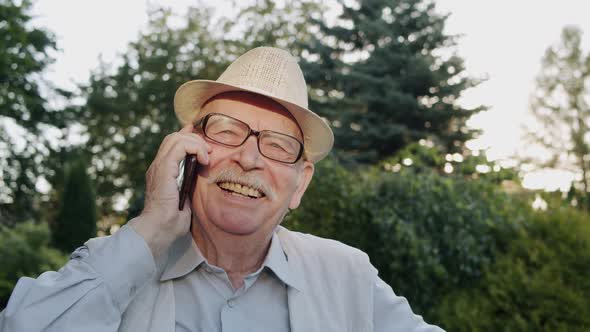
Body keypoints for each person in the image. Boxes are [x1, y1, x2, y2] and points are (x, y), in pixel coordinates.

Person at [0, 47, 444, 332]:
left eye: (277, 145)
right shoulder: (118, 263)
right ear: (187, 149)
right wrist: (152, 227)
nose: (249, 159)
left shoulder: (349, 276)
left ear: (300, 182)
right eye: (228, 132)